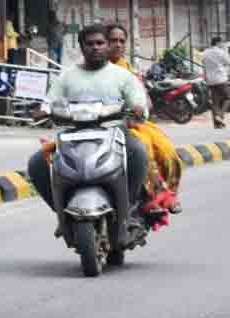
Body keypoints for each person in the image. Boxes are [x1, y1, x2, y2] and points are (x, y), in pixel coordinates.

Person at [26, 24, 150, 229]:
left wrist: (137, 108)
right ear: (81, 47)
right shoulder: (67, 76)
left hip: (114, 133)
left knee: (138, 152)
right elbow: (50, 101)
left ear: (107, 46)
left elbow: (137, 100)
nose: (95, 47)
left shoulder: (122, 76)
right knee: (36, 163)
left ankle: (129, 207)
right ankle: (62, 212)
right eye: (90, 44)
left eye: (100, 43)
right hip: (73, 134)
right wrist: (42, 110)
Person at [107, 23, 183, 216]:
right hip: (108, 124)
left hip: (135, 122)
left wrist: (140, 108)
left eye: (121, 41)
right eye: (113, 40)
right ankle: (151, 199)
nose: (117, 45)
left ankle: (169, 196)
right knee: (144, 151)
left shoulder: (129, 70)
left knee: (167, 151)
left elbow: (145, 100)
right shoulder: (96, 68)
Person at [202, 36, 230, 129]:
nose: (223, 44)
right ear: (218, 43)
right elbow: (227, 62)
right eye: (222, 42)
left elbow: (204, 66)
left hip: (210, 80)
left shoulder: (205, 53)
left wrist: (206, 77)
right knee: (228, 98)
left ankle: (217, 125)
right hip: (221, 79)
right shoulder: (221, 52)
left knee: (215, 102)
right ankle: (220, 116)